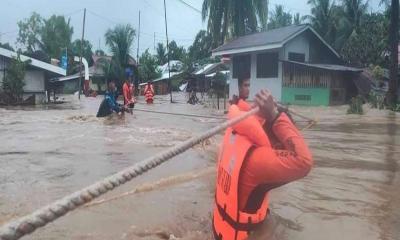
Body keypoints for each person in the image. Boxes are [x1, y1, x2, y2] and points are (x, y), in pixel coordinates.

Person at [213, 89, 313, 240]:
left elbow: (250, 114)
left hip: (220, 229)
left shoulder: (236, 139)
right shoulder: (257, 161)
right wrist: (274, 114)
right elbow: (304, 162)